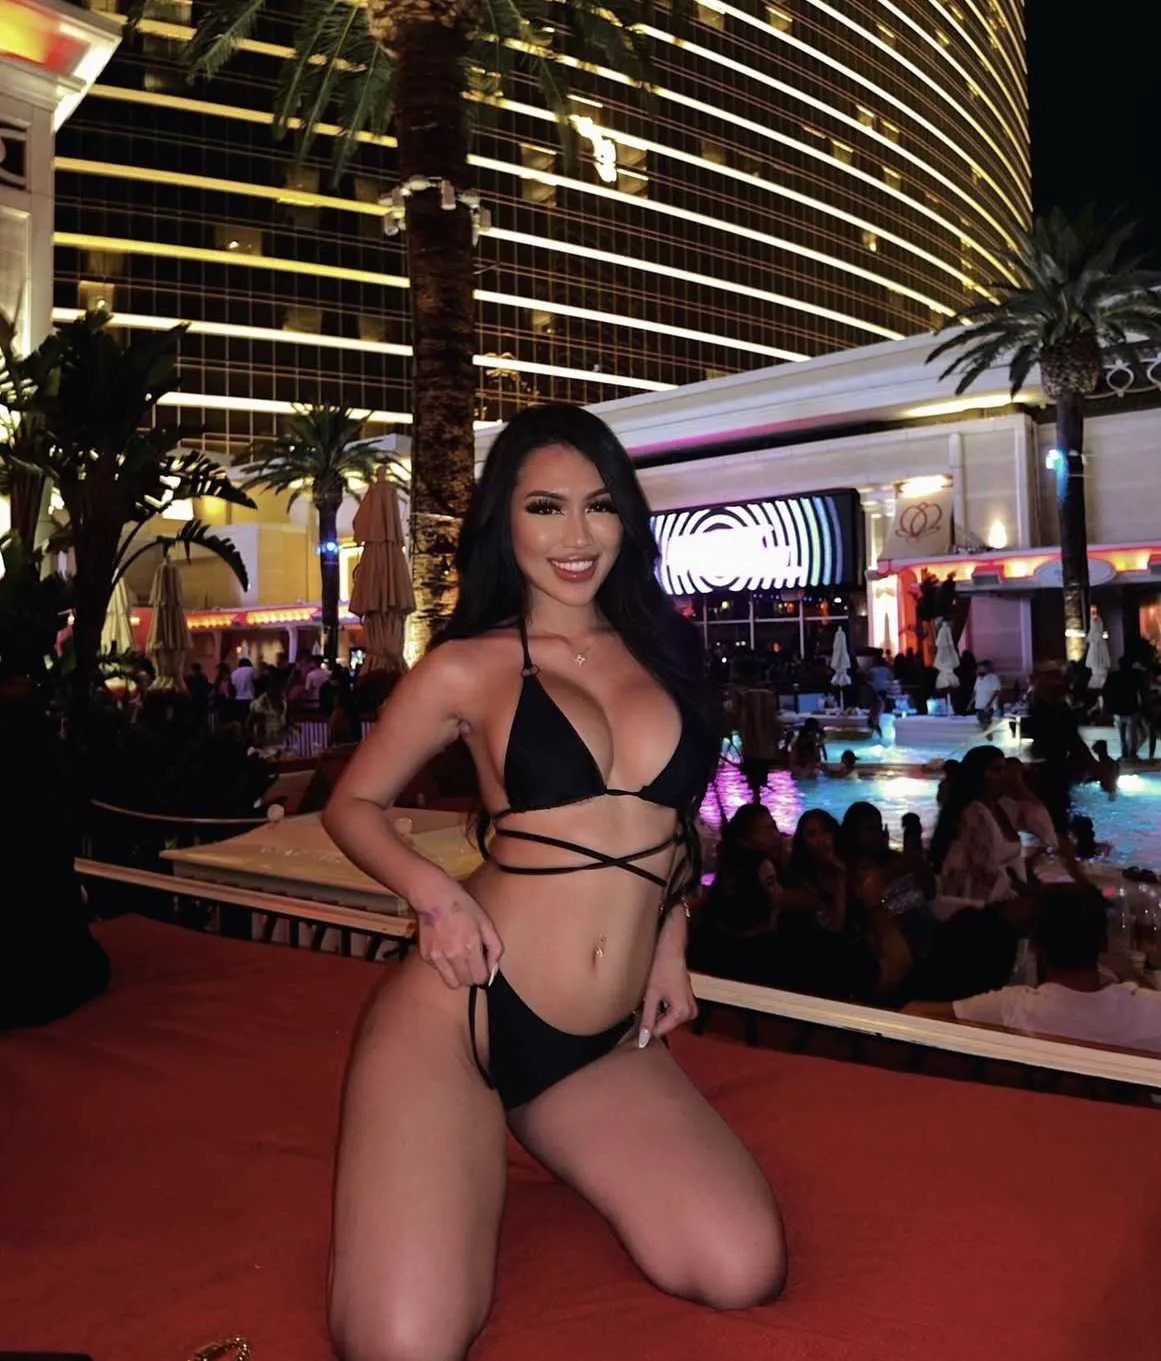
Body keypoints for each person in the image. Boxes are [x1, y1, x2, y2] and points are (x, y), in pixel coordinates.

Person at [321, 404, 786, 1360]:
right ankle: (461, 1120)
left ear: (627, 519)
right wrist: (435, 894)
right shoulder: (466, 666)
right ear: (505, 519)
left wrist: (670, 938)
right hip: (461, 1017)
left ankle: (536, 1120)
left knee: (742, 1268)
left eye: (599, 506)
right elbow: (352, 805)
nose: (576, 536)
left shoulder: (664, 652)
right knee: (402, 1349)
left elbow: (678, 824)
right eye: (545, 507)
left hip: (605, 1038)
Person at [906, 885, 1161, 1053]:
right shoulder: (1144, 1009)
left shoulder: (1012, 1008)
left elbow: (912, 1013)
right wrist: (1129, 973)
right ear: (1102, 945)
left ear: (1035, 946)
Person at [1103, 654, 1143, 760]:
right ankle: (1132, 753)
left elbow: (1106, 692)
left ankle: (1124, 752)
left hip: (1118, 707)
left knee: (1121, 733)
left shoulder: (1113, 676)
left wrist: (1107, 707)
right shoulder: (1135, 675)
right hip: (1131, 707)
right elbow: (1142, 691)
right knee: (1132, 733)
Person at [970, 660, 1001, 725]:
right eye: (979, 669)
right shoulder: (978, 678)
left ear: (987, 669)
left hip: (988, 707)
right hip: (979, 706)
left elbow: (996, 691)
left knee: (987, 724)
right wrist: (970, 703)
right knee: (982, 724)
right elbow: (975, 691)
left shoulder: (993, 678)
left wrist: (989, 704)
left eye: (982, 669)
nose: (979, 671)